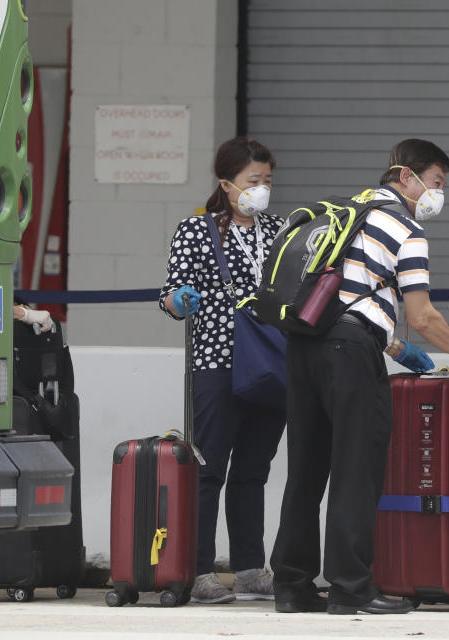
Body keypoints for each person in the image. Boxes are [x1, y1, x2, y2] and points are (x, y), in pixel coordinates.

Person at [271, 139, 449, 615]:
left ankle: (292, 586)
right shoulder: (405, 227)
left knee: (306, 469)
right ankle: (350, 587)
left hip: (304, 344)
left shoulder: (346, 211)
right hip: (351, 353)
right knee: (356, 469)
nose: (438, 194)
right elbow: (420, 315)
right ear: (406, 177)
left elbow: (348, 297)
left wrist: (396, 348)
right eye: (436, 182)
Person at [159, 137, 287, 604]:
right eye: (254, 181)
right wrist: (180, 301)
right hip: (217, 361)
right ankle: (198, 570)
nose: (262, 189)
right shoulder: (197, 230)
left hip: (271, 365)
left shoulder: (278, 230)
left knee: (254, 469)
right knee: (208, 467)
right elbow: (170, 294)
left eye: (268, 180)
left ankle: (251, 567)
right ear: (227, 184)